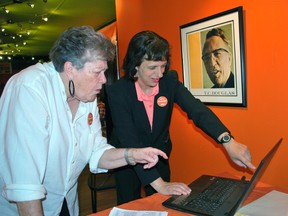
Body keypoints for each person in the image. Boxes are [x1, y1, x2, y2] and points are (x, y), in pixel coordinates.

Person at [0, 26, 170, 216]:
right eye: (97, 72)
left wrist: (133, 155)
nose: (104, 80)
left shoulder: (85, 95)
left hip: (65, 202)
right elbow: (26, 184)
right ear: (70, 68)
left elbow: (96, 151)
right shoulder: (29, 88)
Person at [106, 30, 256, 205]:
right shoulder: (118, 91)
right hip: (127, 159)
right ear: (135, 65)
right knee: (129, 205)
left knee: (161, 204)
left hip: (158, 154)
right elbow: (128, 138)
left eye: (162, 66)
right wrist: (160, 184)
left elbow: (197, 110)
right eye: (152, 67)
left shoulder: (169, 81)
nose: (160, 74)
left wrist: (227, 140)